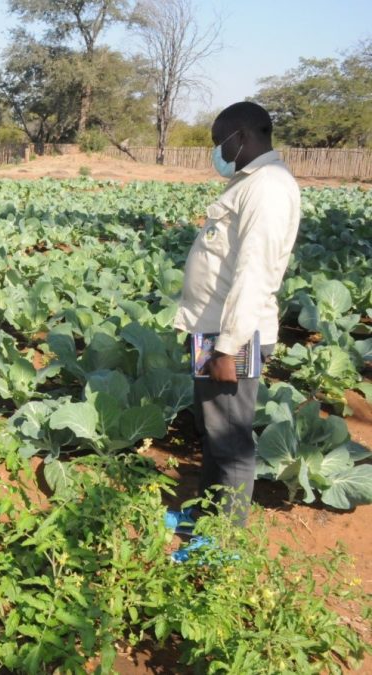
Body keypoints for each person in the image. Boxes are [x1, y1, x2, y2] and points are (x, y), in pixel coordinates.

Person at [170, 101, 301, 550]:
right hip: (213, 331)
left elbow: (255, 275)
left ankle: (222, 545)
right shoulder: (251, 184)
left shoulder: (268, 188)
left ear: (240, 137)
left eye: (218, 143)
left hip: (233, 335)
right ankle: (207, 516)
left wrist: (229, 348)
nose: (216, 153)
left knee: (231, 442)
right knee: (212, 430)